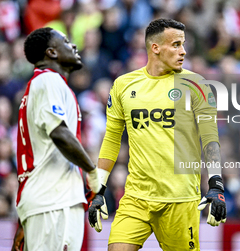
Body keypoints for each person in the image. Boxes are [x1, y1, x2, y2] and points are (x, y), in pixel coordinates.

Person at [88, 18, 227, 251]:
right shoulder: (123, 85)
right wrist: (98, 189)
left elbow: (210, 138)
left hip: (180, 200)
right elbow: (111, 139)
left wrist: (216, 183)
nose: (183, 51)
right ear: (155, 48)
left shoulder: (197, 85)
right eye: (176, 44)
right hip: (136, 198)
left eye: (183, 45)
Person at [11, 27, 101, 251]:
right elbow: (59, 133)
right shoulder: (48, 81)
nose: (74, 46)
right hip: (51, 202)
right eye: (67, 41)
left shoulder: (45, 85)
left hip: (51, 200)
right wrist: (91, 170)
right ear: (51, 53)